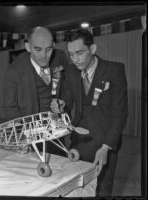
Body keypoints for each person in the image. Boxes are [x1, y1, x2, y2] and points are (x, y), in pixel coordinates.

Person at [51, 29, 128, 196]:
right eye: (71, 54)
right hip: (79, 140)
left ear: (92, 49)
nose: (75, 59)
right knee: (78, 189)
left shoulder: (115, 70)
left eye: (79, 53)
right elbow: (67, 100)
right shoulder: (70, 72)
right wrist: (60, 105)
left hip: (104, 143)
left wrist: (106, 147)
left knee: (102, 190)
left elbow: (120, 113)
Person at [2, 26, 69, 155]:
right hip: (30, 132)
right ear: (28, 47)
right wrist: (21, 136)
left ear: (54, 45)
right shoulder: (13, 70)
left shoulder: (60, 57)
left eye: (49, 49)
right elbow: (10, 107)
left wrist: (63, 102)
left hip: (56, 129)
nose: (44, 56)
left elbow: (67, 87)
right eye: (37, 49)